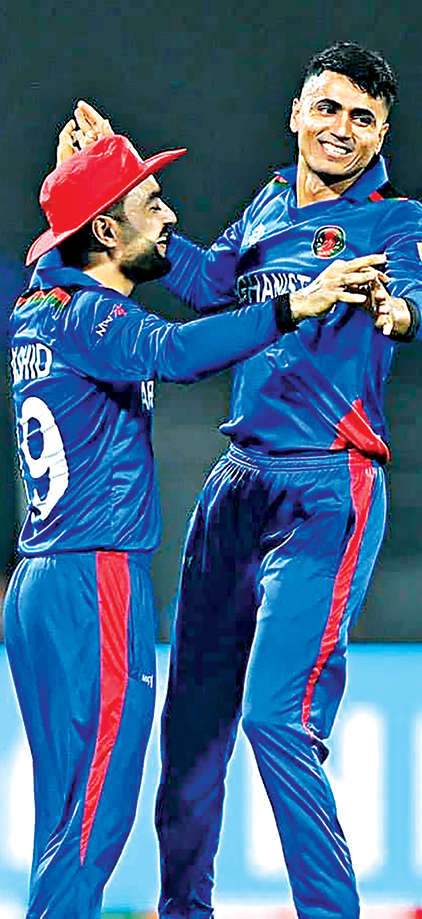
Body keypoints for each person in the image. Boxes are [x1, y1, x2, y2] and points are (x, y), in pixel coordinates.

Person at [59, 47, 422, 916]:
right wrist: (116, 186)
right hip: (236, 487)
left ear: (382, 135)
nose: (341, 130)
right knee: (191, 730)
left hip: (325, 491)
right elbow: (207, 285)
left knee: (275, 719)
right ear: (296, 113)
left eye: (363, 118)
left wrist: (395, 309)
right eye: (327, 108)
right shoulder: (266, 204)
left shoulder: (395, 222)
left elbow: (411, 300)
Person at [4, 125, 376, 919]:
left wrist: (81, 179)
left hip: (35, 586)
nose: (170, 216)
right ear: (107, 232)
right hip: (94, 582)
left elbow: (60, 254)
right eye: (150, 202)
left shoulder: (41, 304)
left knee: (62, 822)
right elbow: (179, 351)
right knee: (93, 825)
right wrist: (292, 306)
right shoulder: (96, 318)